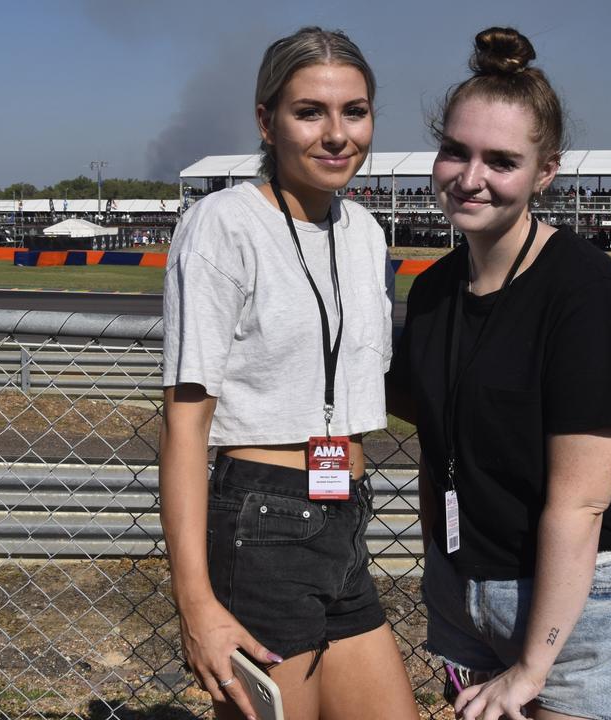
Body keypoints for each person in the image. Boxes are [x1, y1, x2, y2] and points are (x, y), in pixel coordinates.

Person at [387, 27, 611, 720]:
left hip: (590, 598)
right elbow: (436, 412)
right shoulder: (436, 290)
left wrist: (533, 665)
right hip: (471, 587)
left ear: (545, 172)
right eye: (454, 152)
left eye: (501, 160)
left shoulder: (586, 298)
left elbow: (581, 505)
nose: (470, 178)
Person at [159, 26, 416, 720]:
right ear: (266, 121)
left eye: (354, 112)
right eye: (311, 112)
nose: (337, 135)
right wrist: (195, 603)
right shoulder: (222, 226)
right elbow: (185, 424)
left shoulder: (364, 232)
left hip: (346, 518)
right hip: (263, 519)